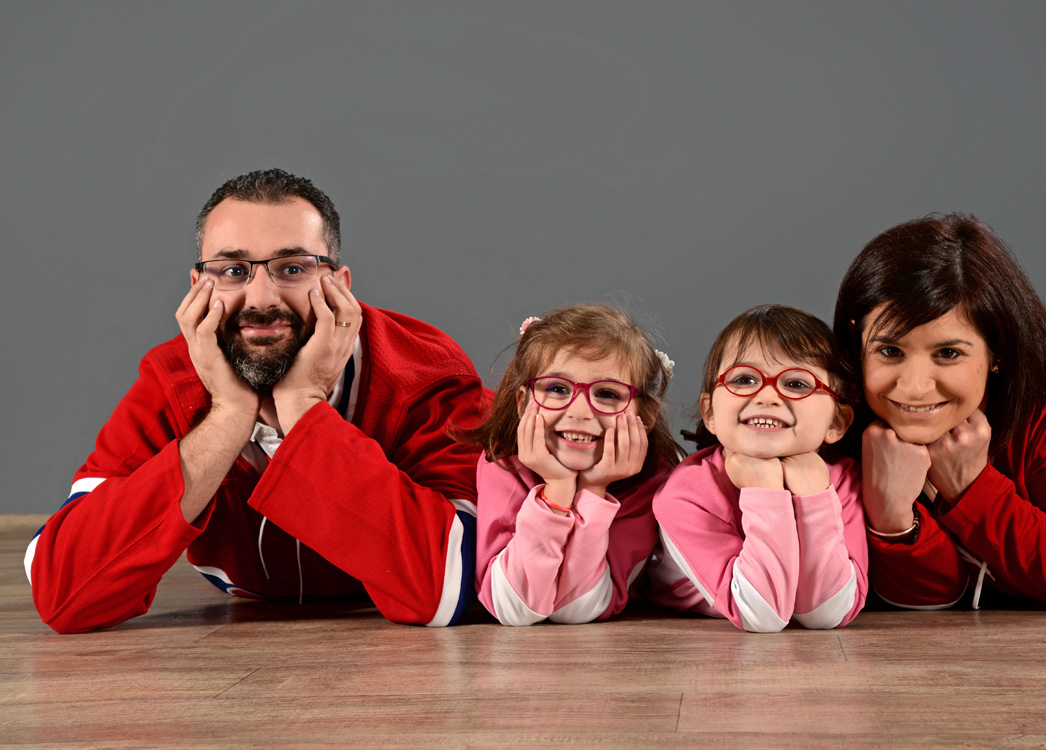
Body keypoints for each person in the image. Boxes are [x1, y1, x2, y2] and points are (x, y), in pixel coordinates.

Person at [27, 168, 486, 633]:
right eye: (233, 271)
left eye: (292, 268)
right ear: (197, 287)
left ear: (340, 285)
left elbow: (447, 587)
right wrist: (228, 417)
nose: (262, 298)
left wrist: (304, 407)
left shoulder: (426, 372)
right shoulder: (171, 378)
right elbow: (63, 593)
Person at [833, 213, 1046, 610]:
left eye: (948, 353)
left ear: (997, 349)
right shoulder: (836, 406)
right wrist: (892, 518)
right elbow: (933, 597)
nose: (914, 388)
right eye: (889, 351)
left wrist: (971, 487)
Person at [652, 305, 867, 632]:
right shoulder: (685, 494)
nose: (767, 396)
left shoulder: (840, 482)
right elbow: (761, 615)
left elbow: (826, 613)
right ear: (709, 412)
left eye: (796, 384)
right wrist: (764, 491)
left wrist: (813, 497)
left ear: (836, 422)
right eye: (744, 379)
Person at [469, 305, 681, 625]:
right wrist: (556, 491)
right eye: (557, 388)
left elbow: (579, 608)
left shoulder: (652, 480)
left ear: (646, 415)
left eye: (608, 393)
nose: (580, 411)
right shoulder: (502, 461)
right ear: (524, 402)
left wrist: (594, 491)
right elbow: (514, 606)